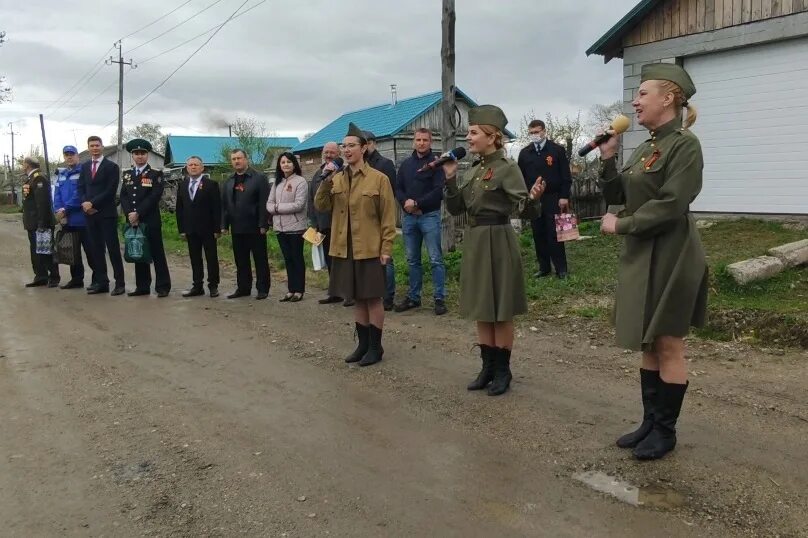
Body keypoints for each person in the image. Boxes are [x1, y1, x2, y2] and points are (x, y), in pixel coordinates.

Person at [597, 63, 707, 461]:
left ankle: (666, 431)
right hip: (644, 251)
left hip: (672, 251)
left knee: (667, 340)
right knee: (647, 337)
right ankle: (649, 421)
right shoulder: (646, 146)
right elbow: (622, 191)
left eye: (643, 93)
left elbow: (673, 203)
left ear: (670, 97)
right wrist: (608, 160)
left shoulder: (684, 145)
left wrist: (623, 225)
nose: (635, 101)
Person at [442, 105, 545, 396]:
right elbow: (456, 207)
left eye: (473, 133)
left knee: (500, 310)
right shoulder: (474, 168)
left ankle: (503, 371)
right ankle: (487, 367)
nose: (468, 138)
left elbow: (524, 209)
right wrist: (450, 178)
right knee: (482, 307)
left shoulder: (507, 168)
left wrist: (534, 199)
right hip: (475, 240)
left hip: (498, 239)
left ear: (492, 137)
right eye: (468, 132)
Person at [314, 123, 397, 367]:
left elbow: (388, 217)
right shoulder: (336, 179)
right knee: (357, 298)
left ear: (363, 149)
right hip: (345, 247)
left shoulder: (378, 179)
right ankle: (362, 345)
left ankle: (375, 347)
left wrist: (386, 249)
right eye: (344, 146)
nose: (347, 150)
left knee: (372, 298)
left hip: (370, 247)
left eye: (352, 146)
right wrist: (325, 181)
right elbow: (321, 206)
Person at [393, 127, 447, 315]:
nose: (421, 143)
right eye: (418, 140)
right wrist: (405, 203)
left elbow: (438, 191)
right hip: (409, 218)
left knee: (435, 259)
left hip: (429, 216)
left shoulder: (437, 164)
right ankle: (414, 297)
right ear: (413, 142)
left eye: (425, 140)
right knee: (412, 260)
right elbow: (398, 188)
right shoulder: (406, 164)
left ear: (430, 142)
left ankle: (439, 298)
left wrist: (417, 202)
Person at [517, 119, 572, 279]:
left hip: (554, 198)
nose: (535, 135)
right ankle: (544, 267)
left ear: (544, 131)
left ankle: (561, 269)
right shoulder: (525, 153)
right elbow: (521, 178)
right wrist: (527, 198)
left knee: (556, 234)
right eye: (532, 133)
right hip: (535, 199)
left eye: (537, 132)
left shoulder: (557, 150)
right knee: (538, 233)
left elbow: (566, 176)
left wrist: (564, 196)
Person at [119, 138, 171, 297]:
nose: (140, 156)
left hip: (150, 220)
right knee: (138, 252)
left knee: (157, 253)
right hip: (133, 220)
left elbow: (154, 196)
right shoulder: (127, 174)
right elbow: (124, 196)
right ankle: (142, 286)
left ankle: (162, 286)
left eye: (142, 153)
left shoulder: (156, 174)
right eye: (136, 154)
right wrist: (129, 214)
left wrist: (138, 213)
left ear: (147, 155)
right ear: (132, 156)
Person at [78, 135, 125, 296]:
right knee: (96, 249)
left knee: (112, 249)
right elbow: (81, 188)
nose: (95, 148)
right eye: (92, 146)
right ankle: (102, 282)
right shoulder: (84, 167)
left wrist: (93, 203)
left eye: (97, 145)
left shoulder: (111, 167)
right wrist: (85, 203)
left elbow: (110, 190)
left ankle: (120, 283)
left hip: (106, 214)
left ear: (102, 147)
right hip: (89, 214)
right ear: (88, 148)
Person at [221, 149, 270, 300]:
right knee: (241, 261)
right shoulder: (229, 181)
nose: (237, 161)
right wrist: (224, 225)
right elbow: (225, 205)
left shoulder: (259, 178)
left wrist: (264, 223)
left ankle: (262, 289)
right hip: (237, 227)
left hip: (255, 226)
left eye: (239, 158)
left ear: (246, 159)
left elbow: (264, 202)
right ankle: (243, 288)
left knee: (260, 259)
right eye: (234, 159)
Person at [308, 141, 349, 305]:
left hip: (339, 223)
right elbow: (312, 200)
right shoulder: (319, 174)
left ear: (338, 154)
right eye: (326, 152)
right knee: (330, 260)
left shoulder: (344, 173)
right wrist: (313, 222)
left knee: (343, 261)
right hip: (323, 224)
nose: (328, 155)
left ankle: (349, 293)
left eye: (332, 152)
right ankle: (335, 292)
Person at [176, 156, 221, 298]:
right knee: (195, 258)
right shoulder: (182, 185)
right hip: (190, 228)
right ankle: (197, 286)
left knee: (211, 258)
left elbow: (217, 208)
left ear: (202, 168)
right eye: (190, 165)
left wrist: (217, 228)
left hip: (208, 229)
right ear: (187, 168)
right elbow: (180, 208)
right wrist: (181, 229)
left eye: (196, 165)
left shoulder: (211, 184)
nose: (193, 167)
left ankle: (213, 286)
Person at [53, 145, 96, 289]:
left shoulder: (83, 171)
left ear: (78, 156)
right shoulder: (62, 174)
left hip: (83, 220)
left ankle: (98, 279)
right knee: (72, 251)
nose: (69, 157)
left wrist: (65, 210)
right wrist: (59, 210)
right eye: (66, 155)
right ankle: (77, 279)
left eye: (72, 154)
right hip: (68, 220)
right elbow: (57, 194)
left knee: (91, 251)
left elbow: (79, 195)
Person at [363, 130, 398, 311]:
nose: (366, 146)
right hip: (364, 221)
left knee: (386, 259)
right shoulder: (358, 165)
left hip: (381, 217)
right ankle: (371, 293)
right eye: (363, 143)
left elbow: (390, 192)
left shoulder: (385, 164)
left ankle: (388, 296)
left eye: (368, 142)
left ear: (374, 143)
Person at [267, 152, 308, 302]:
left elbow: (299, 205)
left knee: (297, 258)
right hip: (280, 228)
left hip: (296, 226)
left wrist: (277, 208)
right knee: (288, 259)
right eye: (283, 162)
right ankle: (291, 289)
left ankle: (299, 290)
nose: (286, 164)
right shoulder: (277, 183)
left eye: (288, 162)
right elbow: (268, 204)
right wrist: (276, 208)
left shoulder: (301, 182)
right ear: (279, 165)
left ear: (294, 164)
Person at [21, 156, 58, 287]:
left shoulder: (39, 178)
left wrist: (42, 224)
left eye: (23, 164)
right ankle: (40, 276)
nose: (22, 166)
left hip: (41, 223)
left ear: (27, 165)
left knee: (46, 250)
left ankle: (54, 277)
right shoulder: (30, 178)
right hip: (33, 223)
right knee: (36, 251)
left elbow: (41, 203)